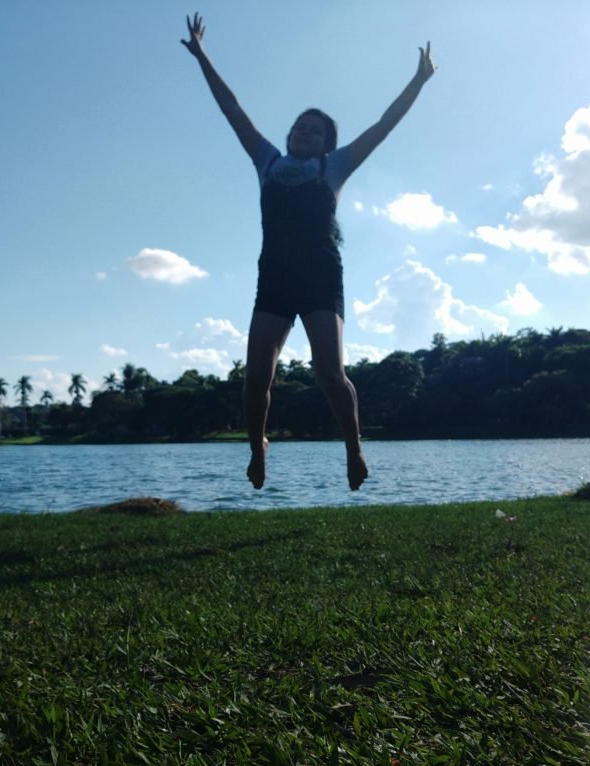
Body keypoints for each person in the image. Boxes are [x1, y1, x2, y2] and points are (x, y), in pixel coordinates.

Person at [182, 12, 436, 491]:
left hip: (321, 276)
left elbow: (383, 126)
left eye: (314, 131)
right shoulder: (267, 160)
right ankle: (258, 447)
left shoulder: (335, 166)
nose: (304, 132)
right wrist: (202, 57)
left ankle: (353, 449)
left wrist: (418, 81)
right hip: (274, 275)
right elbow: (232, 109)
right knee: (257, 376)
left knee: (329, 372)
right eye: (300, 126)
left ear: (326, 142)